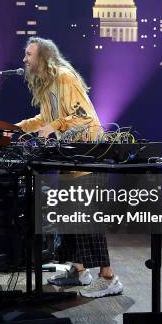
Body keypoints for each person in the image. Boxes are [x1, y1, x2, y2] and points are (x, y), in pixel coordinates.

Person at [15, 37, 123, 298]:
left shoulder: (63, 76)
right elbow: (45, 118)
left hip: (86, 154)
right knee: (69, 215)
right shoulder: (47, 83)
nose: (25, 59)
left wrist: (53, 126)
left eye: (29, 54)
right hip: (69, 155)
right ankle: (79, 271)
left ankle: (109, 278)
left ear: (44, 57)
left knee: (86, 218)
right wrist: (17, 128)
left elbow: (83, 115)